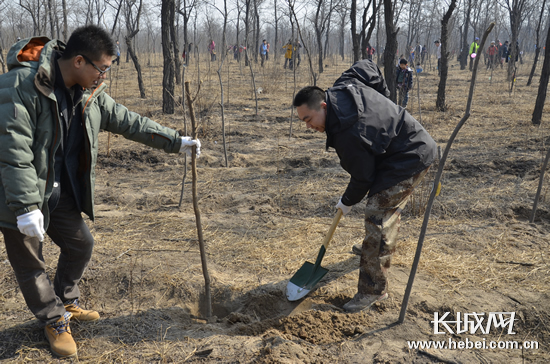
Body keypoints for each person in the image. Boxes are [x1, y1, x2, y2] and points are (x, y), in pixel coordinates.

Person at [0, 25, 201, 358]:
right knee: (30, 262)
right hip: (14, 193)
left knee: (81, 244)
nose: (104, 75)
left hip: (58, 190)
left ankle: (66, 299)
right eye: (103, 68)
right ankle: (53, 319)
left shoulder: (88, 93)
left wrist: (175, 142)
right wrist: (23, 207)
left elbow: (127, 121)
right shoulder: (22, 86)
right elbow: (13, 151)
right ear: (79, 61)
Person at [293, 60, 437, 313]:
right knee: (383, 211)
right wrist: (384, 103)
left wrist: (346, 201)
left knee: (377, 216)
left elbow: (363, 178)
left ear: (323, 106)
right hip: (401, 149)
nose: (308, 127)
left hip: (409, 157)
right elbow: (367, 66)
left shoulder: (348, 135)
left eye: (309, 119)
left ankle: (373, 290)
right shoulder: (344, 86)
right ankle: (376, 246)